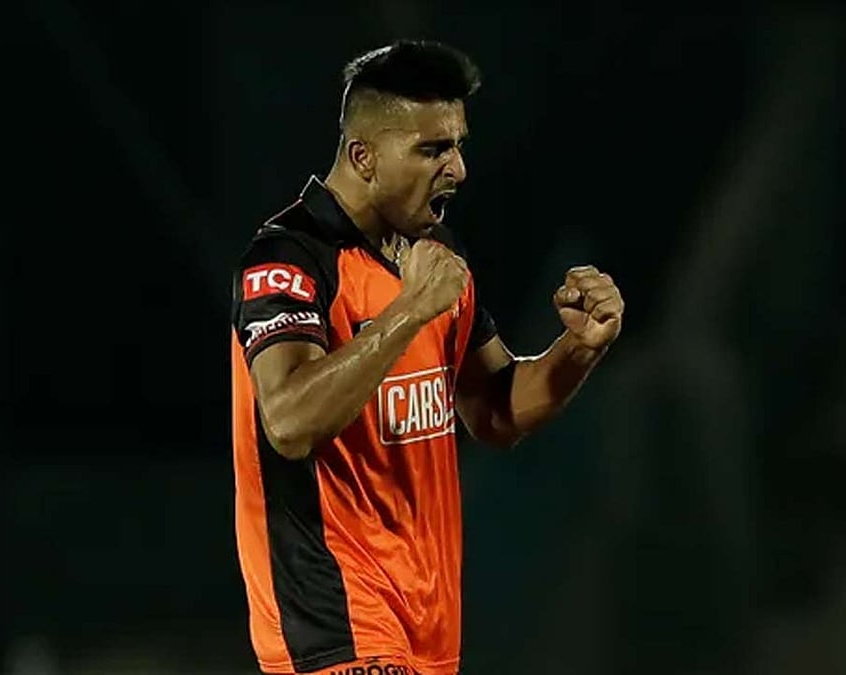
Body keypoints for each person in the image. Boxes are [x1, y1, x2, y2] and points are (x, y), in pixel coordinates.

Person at [229, 39, 624, 675]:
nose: (459, 169)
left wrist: (579, 347)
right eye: (432, 149)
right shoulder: (289, 262)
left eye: (459, 144)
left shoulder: (431, 253)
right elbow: (289, 420)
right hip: (336, 624)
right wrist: (408, 311)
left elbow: (496, 412)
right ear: (363, 156)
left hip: (429, 629)